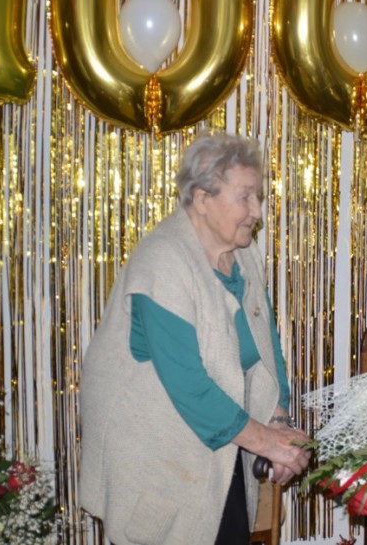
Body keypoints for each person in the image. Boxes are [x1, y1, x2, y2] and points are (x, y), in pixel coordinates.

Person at [79, 134, 311, 545]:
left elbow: (265, 345)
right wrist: (270, 445)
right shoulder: (163, 261)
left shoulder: (244, 254)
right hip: (157, 459)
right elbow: (189, 386)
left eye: (258, 196)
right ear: (203, 199)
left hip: (223, 444)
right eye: (245, 197)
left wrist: (279, 423)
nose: (257, 211)